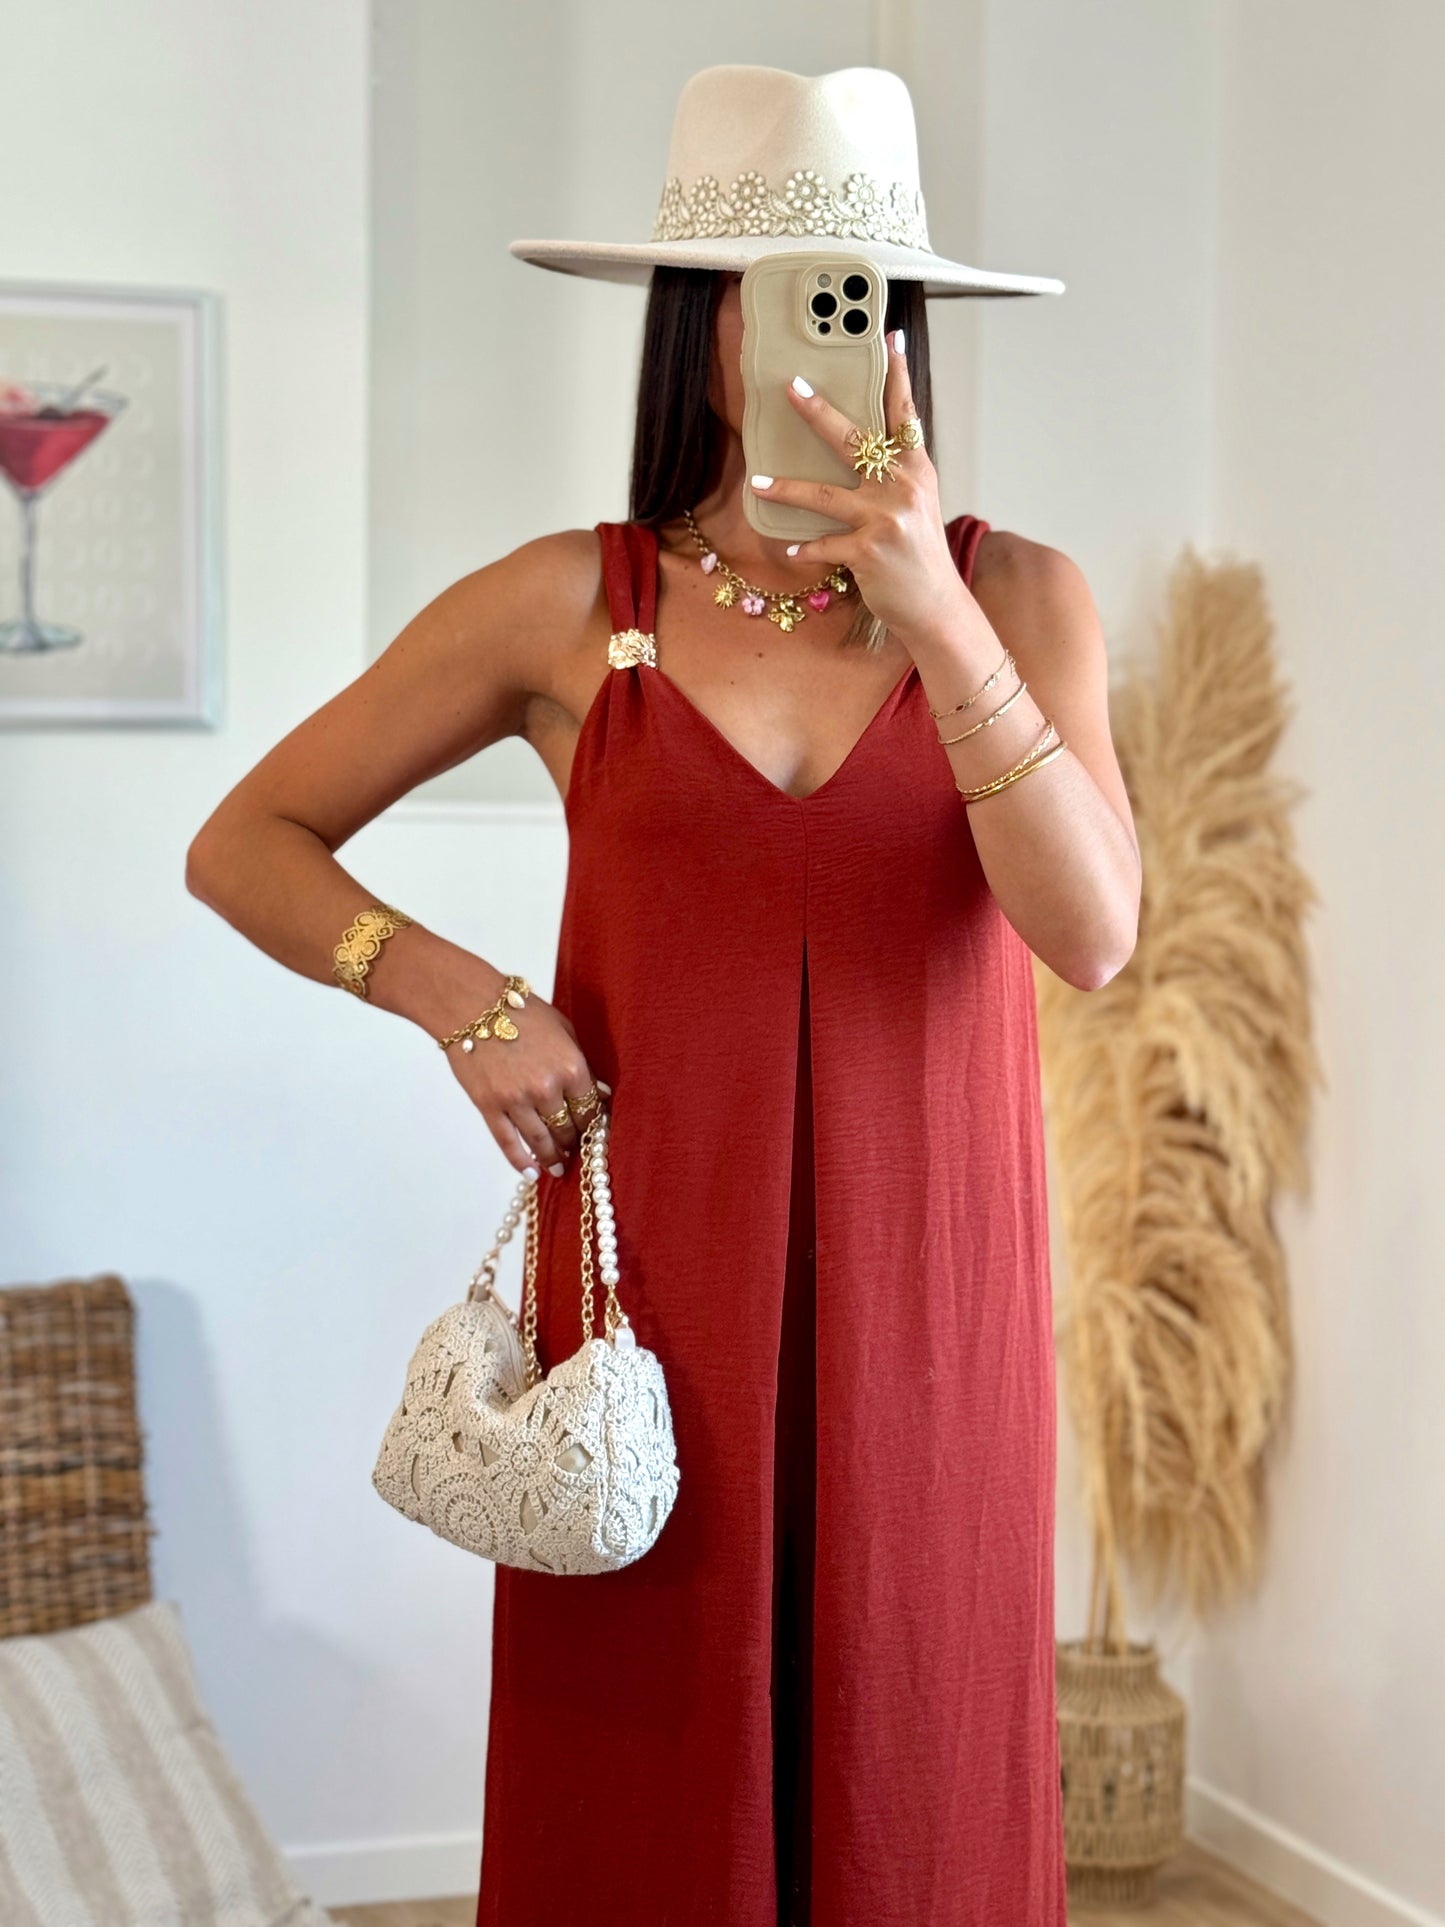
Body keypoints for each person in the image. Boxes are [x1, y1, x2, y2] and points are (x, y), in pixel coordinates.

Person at [187, 62, 1139, 1927]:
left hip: (929, 1300)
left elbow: (1093, 933)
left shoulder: (1019, 597)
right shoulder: (570, 603)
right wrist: (456, 997)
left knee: (915, 1774)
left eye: (861, 297)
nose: (823, 337)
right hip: (646, 1305)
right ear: (695, 319)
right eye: (778, 292)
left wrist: (931, 613)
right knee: (644, 1788)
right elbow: (249, 841)